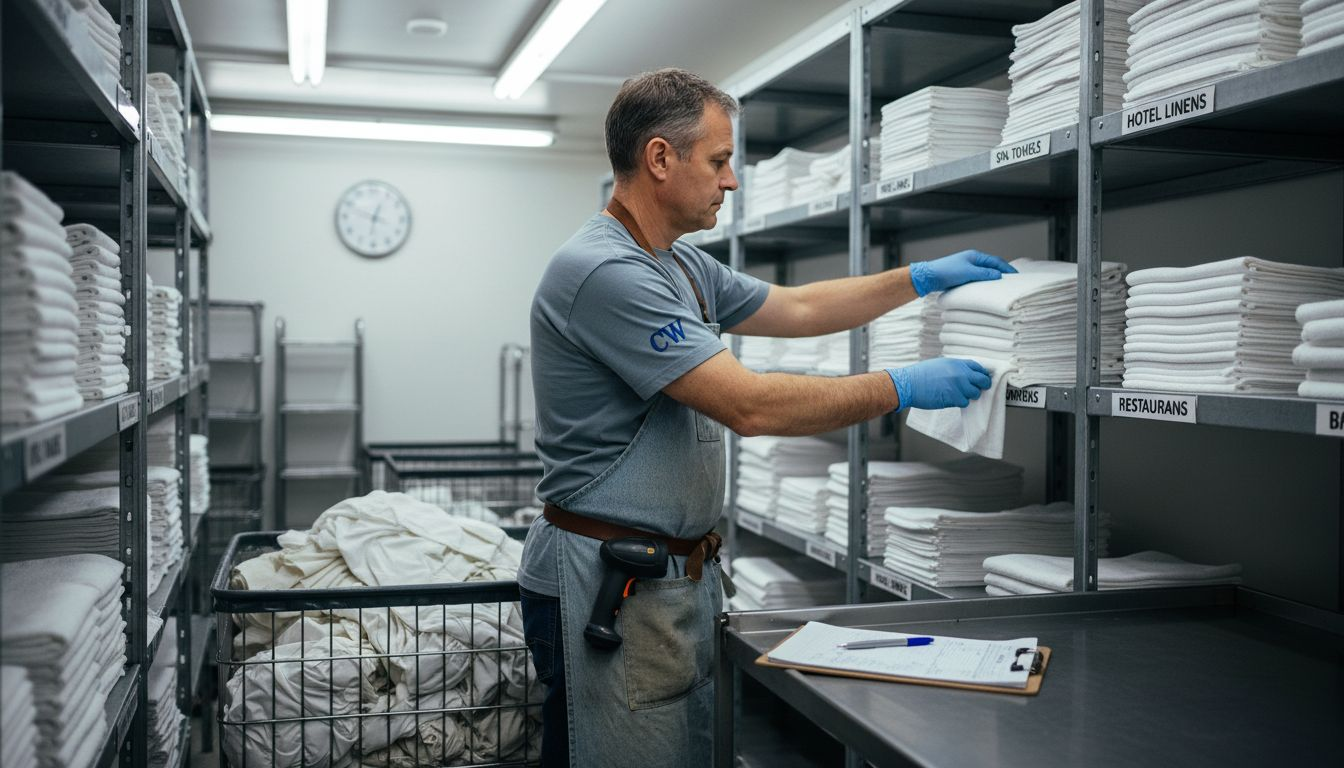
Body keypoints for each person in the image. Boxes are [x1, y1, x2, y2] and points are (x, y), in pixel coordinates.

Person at [517, 68, 1014, 768]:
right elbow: (749, 405)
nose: (731, 182)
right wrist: (896, 387)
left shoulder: (682, 266)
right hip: (607, 583)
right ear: (661, 158)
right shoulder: (606, 272)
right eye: (719, 162)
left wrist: (918, 279)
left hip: (664, 583)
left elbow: (802, 308)